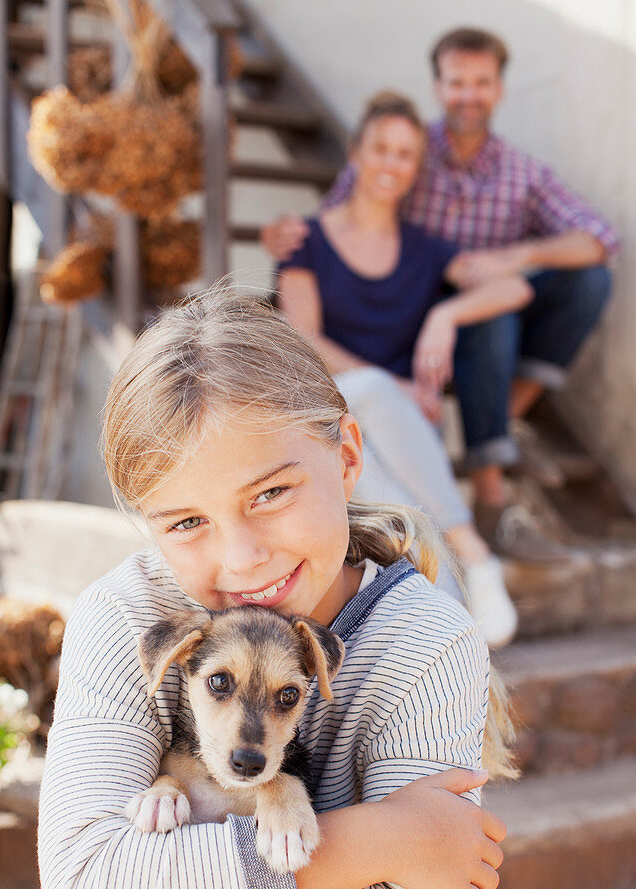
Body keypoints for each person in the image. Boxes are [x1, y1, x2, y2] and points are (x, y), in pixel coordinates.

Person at [8, 288, 511, 889]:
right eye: (184, 523)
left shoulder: (427, 642)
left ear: (346, 455)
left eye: (270, 493)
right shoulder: (127, 613)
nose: (241, 559)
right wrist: (382, 840)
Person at [264, 26, 619, 563]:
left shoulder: (521, 172)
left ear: (499, 89)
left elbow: (600, 239)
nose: (468, 95)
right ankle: (485, 504)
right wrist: (284, 238)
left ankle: (500, 431)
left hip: (473, 312)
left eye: (481, 82)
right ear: (439, 86)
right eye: (457, 82)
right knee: (484, 324)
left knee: (587, 281)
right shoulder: (405, 148)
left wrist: (517, 256)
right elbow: (341, 215)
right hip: (409, 320)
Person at [277, 90, 531, 649]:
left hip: (408, 434)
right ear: (356, 154)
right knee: (354, 413)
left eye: (405, 154)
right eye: (381, 149)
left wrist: (446, 312)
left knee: (364, 436)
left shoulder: (426, 250)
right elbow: (304, 341)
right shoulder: (307, 241)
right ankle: (473, 560)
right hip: (335, 423)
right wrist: (396, 383)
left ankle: (455, 601)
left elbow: (514, 287)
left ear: (416, 168)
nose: (391, 163)